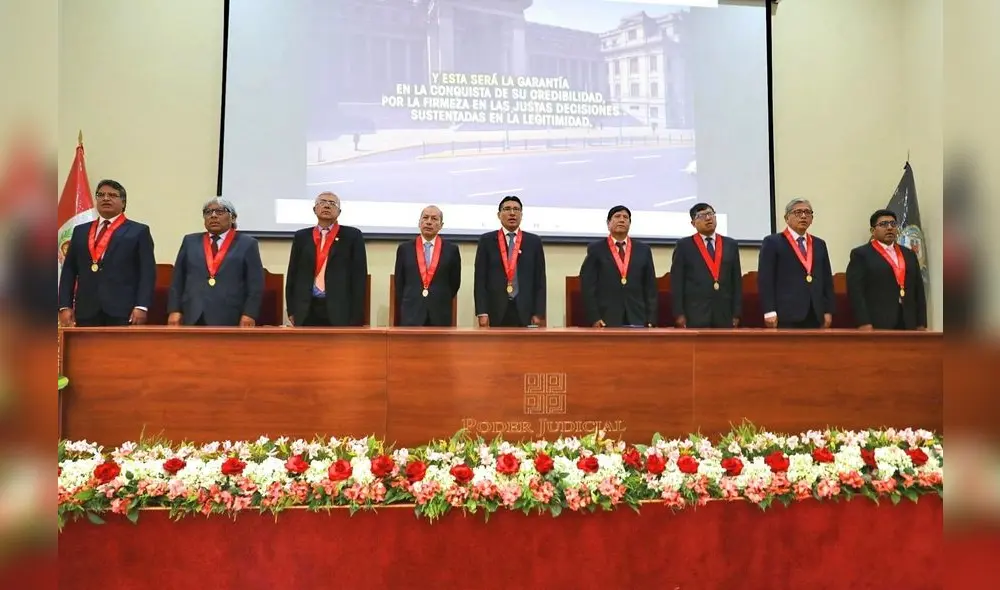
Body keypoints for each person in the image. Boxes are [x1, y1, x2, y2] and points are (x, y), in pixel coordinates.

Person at [58, 179, 156, 327]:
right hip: (86, 309)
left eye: (112, 195)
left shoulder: (138, 231)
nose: (105, 198)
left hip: (123, 310)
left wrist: (141, 306)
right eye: (101, 195)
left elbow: (147, 272)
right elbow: (69, 270)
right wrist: (64, 306)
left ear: (123, 203)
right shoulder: (80, 231)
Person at [167, 197, 263, 327]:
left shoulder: (247, 244)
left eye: (220, 211)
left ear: (233, 218)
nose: (213, 216)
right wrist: (174, 310)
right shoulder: (190, 241)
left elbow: (255, 284)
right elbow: (177, 279)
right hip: (193, 313)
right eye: (208, 212)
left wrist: (249, 314)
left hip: (230, 315)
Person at [286, 192, 368, 326]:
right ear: (314, 209)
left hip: (340, 309)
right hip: (306, 308)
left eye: (332, 203)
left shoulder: (352, 236)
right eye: (322, 202)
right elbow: (292, 274)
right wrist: (291, 309)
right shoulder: (302, 236)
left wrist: (356, 315)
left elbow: (359, 277)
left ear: (339, 212)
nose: (327, 206)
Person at [757, 198, 835, 329]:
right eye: (798, 212)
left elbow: (826, 279)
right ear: (786, 218)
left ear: (812, 218)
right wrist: (769, 311)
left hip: (815, 313)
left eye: (807, 212)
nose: (803, 216)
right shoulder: (773, 242)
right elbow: (766, 279)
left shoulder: (819, 244)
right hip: (785, 313)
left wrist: (828, 310)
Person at [846, 209, 927, 330]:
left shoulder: (909, 254)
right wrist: (863, 322)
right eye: (883, 224)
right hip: (878, 321)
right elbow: (855, 292)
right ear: (873, 231)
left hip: (908, 320)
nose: (889, 228)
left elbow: (919, 290)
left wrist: (921, 323)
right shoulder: (861, 254)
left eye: (893, 224)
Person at [473, 196, 547, 327]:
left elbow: (540, 280)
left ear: (521, 215)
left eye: (516, 209)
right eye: (507, 209)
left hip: (526, 309)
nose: (512, 213)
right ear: (499, 215)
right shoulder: (486, 241)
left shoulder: (534, 242)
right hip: (495, 309)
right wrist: (482, 312)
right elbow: (480, 279)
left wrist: (539, 313)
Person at [580, 205, 657, 328]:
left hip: (638, 315)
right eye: (617, 216)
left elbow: (650, 287)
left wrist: (651, 319)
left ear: (630, 224)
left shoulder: (643, 250)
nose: (621, 220)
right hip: (606, 317)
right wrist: (595, 318)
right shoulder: (596, 249)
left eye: (625, 217)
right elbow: (588, 286)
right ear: (608, 223)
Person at [669, 202, 742, 328]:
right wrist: (679, 314)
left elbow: (736, 281)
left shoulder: (730, 245)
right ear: (693, 223)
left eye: (710, 214)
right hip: (695, 313)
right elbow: (677, 282)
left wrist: (737, 313)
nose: (708, 218)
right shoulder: (684, 246)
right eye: (702, 216)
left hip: (724, 313)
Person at [393, 205, 461, 326]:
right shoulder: (404, 249)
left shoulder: (451, 250)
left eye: (434, 219)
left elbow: (454, 283)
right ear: (419, 222)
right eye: (425, 218)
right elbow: (399, 283)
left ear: (441, 225)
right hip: (411, 313)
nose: (429, 222)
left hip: (440, 313)